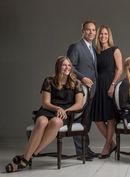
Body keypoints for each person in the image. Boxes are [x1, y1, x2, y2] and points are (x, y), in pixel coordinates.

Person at [5, 56, 84, 173]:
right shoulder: (49, 80)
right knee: (42, 121)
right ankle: (28, 157)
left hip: (64, 113)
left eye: (69, 65)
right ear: (58, 67)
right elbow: (45, 103)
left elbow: (79, 105)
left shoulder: (76, 82)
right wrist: (57, 108)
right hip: (49, 109)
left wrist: (65, 111)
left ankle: (27, 157)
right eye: (64, 65)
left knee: (56, 122)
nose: (67, 67)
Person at [67, 20, 98, 160]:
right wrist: (83, 78)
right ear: (83, 31)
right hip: (81, 90)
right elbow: (69, 67)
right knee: (79, 120)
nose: (91, 32)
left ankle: (86, 149)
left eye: (93, 30)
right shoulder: (75, 47)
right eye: (88, 29)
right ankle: (81, 152)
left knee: (86, 121)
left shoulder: (93, 48)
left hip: (92, 90)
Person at [91, 25, 123, 159]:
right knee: (98, 119)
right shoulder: (95, 51)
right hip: (98, 86)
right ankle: (113, 144)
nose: (103, 36)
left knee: (110, 118)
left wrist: (113, 85)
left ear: (109, 36)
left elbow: (119, 69)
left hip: (110, 85)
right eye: (101, 34)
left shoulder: (115, 50)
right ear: (98, 36)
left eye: (105, 34)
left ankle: (106, 146)